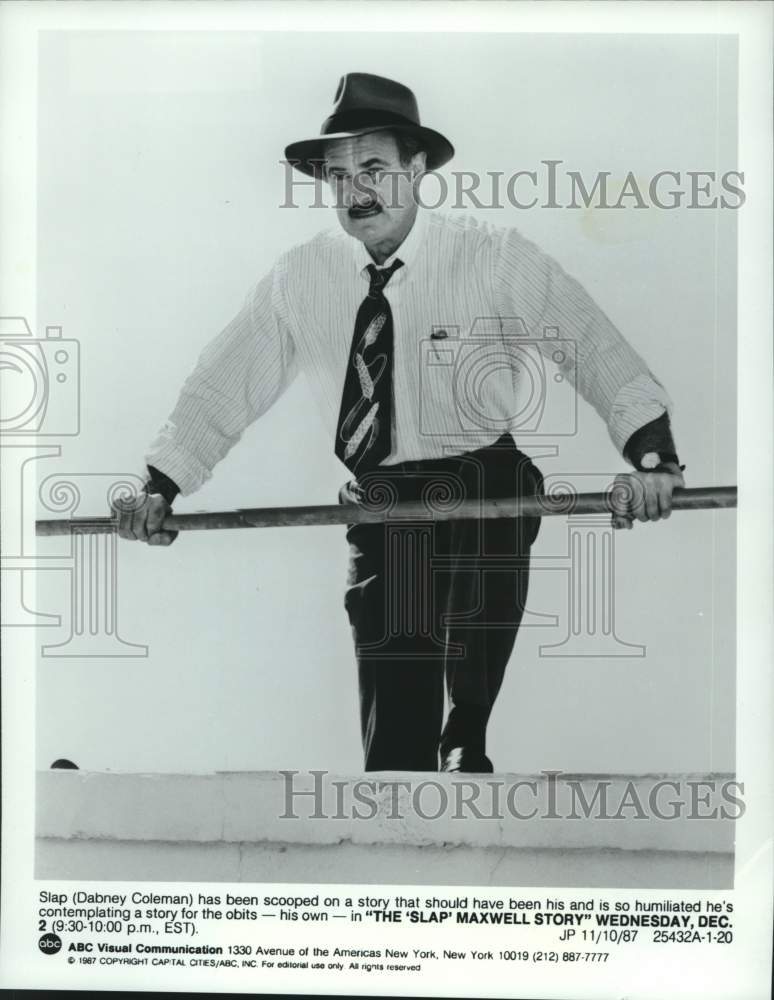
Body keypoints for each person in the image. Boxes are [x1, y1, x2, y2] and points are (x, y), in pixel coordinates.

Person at [114, 73, 684, 774]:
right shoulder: (301, 277)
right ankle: (401, 799)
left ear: (416, 170)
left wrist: (652, 459)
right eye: (340, 174)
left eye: (376, 168)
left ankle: (463, 737)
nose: (358, 190)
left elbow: (593, 345)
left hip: (482, 481)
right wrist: (158, 485)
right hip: (384, 498)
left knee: (477, 576)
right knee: (394, 712)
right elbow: (222, 385)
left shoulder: (491, 255)